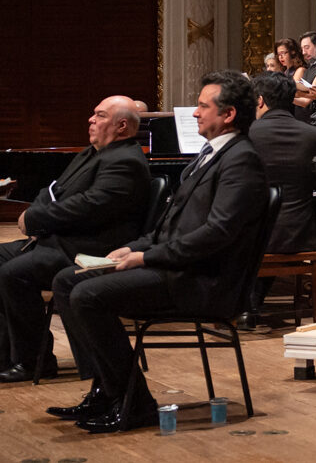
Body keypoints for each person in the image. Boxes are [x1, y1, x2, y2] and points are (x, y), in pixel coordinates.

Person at [47, 71, 269, 433]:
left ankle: (135, 404)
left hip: (202, 282)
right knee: (67, 281)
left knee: (88, 295)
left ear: (228, 115)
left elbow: (218, 233)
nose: (195, 113)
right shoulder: (212, 155)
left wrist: (145, 258)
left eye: (202, 106)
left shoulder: (241, 160)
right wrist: (132, 247)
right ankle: (107, 390)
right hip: (178, 268)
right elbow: (170, 227)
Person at [0, 97, 151, 383]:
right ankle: (2, 350)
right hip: (62, 238)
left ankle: (35, 360)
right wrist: (37, 212)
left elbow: (90, 206)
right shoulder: (92, 153)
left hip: (88, 248)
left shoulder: (126, 161)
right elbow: (55, 189)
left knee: (15, 273)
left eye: (100, 115)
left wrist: (36, 220)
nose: (90, 120)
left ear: (122, 126)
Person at [239, 72, 316, 328]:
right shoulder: (314, 136)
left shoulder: (246, 134)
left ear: (259, 101)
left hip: (254, 237)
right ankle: (251, 302)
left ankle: (242, 304)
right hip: (297, 234)